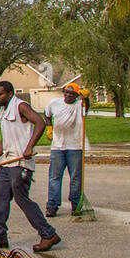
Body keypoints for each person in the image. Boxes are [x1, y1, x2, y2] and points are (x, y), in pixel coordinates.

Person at [0, 80, 61, 253]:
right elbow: (6, 139)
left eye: (0, 94)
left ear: (10, 93)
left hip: (21, 163)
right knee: (0, 198)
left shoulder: (20, 106)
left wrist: (29, 146)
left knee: (22, 199)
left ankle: (48, 234)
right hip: (7, 163)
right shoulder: (3, 111)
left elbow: (40, 122)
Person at [44, 82, 86, 217]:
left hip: (75, 146)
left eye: (72, 94)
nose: (68, 95)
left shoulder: (80, 105)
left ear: (76, 95)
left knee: (75, 177)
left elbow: (87, 107)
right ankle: (52, 205)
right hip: (57, 146)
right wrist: (49, 127)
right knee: (54, 177)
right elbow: (47, 115)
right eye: (66, 92)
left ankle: (76, 204)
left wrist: (87, 98)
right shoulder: (54, 103)